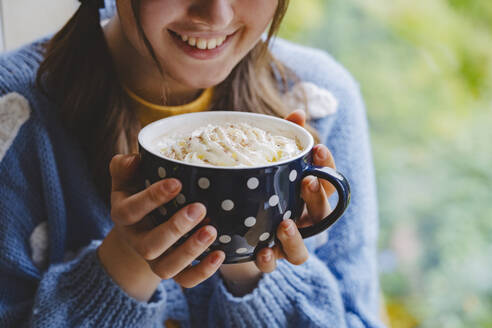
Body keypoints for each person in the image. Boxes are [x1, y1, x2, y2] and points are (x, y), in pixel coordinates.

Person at [0, 0, 384, 327]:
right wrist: (128, 259)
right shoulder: (13, 114)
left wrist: (248, 246)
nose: (216, 14)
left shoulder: (321, 100)